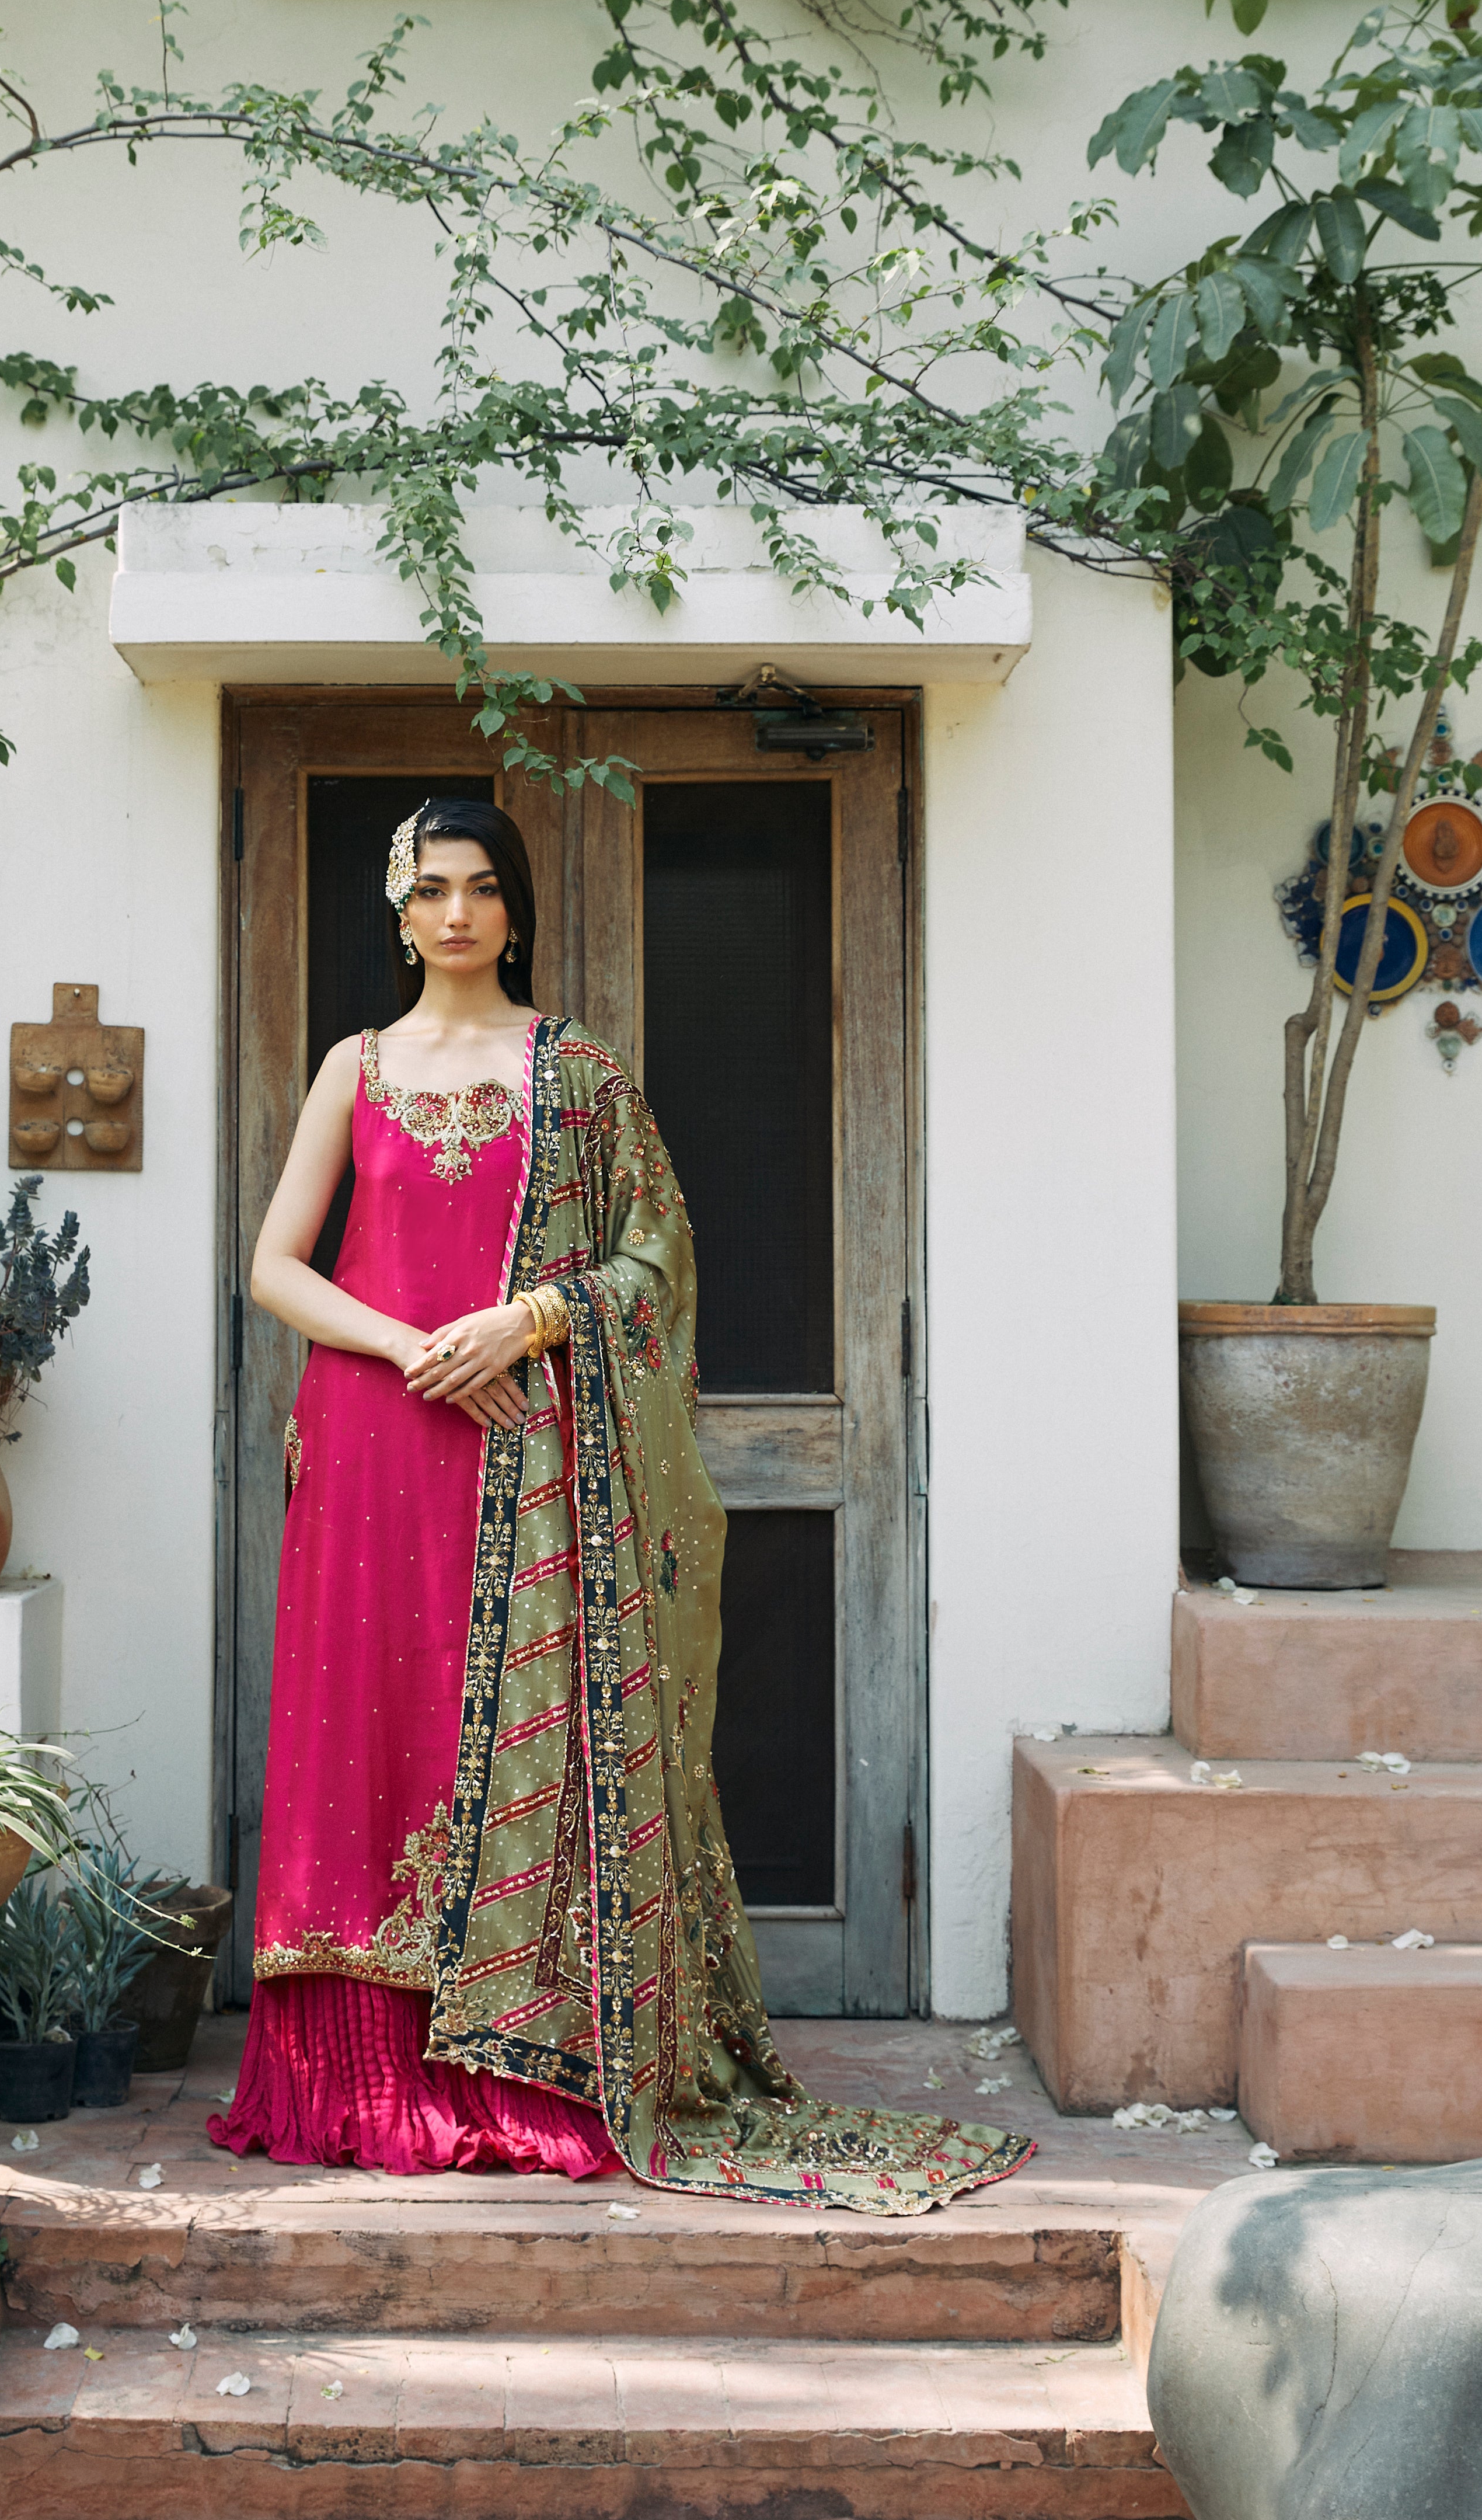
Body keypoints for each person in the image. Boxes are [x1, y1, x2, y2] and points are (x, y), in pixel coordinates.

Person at [210, 796, 1031, 2211]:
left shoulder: (576, 1076)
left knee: (495, 1719)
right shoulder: (354, 1068)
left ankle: (521, 2069)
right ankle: (357, 2078)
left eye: (479, 890)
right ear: (397, 912)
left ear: (515, 910)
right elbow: (276, 1267)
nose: (454, 915)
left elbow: (658, 1268)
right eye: (429, 892)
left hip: (526, 1452)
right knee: (370, 1722)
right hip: (368, 1437)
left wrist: (527, 1320)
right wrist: (417, 1348)